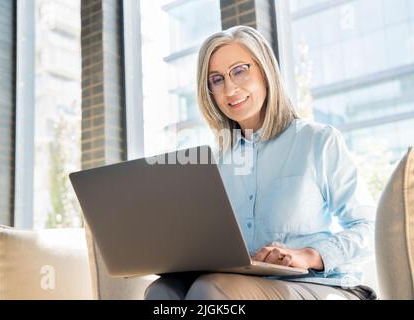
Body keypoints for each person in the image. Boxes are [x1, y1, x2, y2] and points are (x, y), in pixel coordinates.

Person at [144, 26, 377, 300]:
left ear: (265, 70)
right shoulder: (215, 164)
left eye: (239, 70)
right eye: (216, 80)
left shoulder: (317, 141)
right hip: (239, 283)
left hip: (321, 285)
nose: (230, 88)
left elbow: (370, 226)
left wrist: (310, 255)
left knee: (211, 290)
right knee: (162, 292)